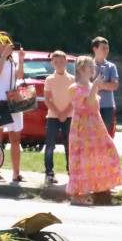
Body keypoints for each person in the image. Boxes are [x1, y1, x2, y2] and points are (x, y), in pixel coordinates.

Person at [66, 55, 122, 205]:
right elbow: (88, 103)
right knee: (82, 158)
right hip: (82, 127)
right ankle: (76, 195)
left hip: (95, 124)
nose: (93, 68)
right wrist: (96, 86)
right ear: (80, 69)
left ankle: (102, 185)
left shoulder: (91, 85)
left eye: (93, 65)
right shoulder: (74, 88)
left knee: (106, 151)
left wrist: (95, 86)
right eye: (89, 66)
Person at [0, 37, 25, 184]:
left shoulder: (12, 61)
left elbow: (19, 76)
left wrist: (21, 60)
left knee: (15, 138)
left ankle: (16, 173)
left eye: (6, 42)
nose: (5, 45)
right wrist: (3, 55)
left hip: (12, 100)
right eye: (1, 42)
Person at [43, 51, 74, 186]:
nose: (58, 64)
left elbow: (75, 98)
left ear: (66, 61)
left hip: (69, 117)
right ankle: (49, 173)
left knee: (70, 146)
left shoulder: (72, 79)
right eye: (55, 62)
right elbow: (47, 99)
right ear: (52, 63)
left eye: (61, 61)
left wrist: (66, 112)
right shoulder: (49, 79)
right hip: (53, 117)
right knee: (50, 145)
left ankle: (72, 173)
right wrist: (58, 113)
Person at [91, 36, 119, 136]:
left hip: (107, 106)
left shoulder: (111, 67)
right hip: (92, 105)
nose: (106, 50)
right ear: (95, 49)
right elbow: (84, 85)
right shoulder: (89, 65)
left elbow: (114, 85)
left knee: (104, 135)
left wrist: (99, 86)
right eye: (103, 48)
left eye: (107, 48)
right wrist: (97, 86)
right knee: (92, 134)